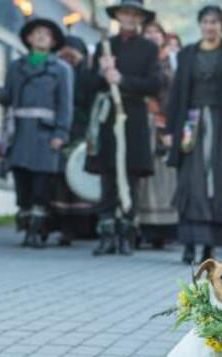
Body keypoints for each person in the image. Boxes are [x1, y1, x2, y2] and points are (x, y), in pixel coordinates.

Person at [166, 5, 222, 264]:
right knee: (191, 180)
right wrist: (170, 130)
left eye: (215, 22)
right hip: (191, 123)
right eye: (205, 21)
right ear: (200, 24)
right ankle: (189, 243)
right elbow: (177, 94)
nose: (210, 26)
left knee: (220, 182)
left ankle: (211, 246)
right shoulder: (186, 54)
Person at [85, 0, 162, 256]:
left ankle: (127, 233)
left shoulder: (149, 49)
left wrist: (122, 79)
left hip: (134, 116)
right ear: (118, 15)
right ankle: (106, 233)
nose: (129, 18)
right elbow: (89, 86)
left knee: (130, 177)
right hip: (109, 117)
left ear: (140, 18)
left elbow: (154, 84)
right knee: (108, 175)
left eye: (134, 14)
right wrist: (102, 72)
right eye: (125, 13)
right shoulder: (105, 46)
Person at [0, 18, 73, 249]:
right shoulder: (16, 67)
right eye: (36, 33)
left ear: (54, 41)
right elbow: (9, 98)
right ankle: (25, 224)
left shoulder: (61, 70)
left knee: (42, 184)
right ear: (28, 38)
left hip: (46, 133)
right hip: (20, 131)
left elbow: (65, 104)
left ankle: (37, 230)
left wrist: (61, 132)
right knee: (22, 182)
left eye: (46, 34)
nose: (41, 37)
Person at [49, 35, 97, 245]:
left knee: (79, 179)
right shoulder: (55, 73)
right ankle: (62, 226)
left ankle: (83, 227)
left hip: (81, 131)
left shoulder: (86, 77)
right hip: (59, 130)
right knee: (59, 180)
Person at [136, 20, 178, 249]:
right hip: (142, 121)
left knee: (164, 179)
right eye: (148, 32)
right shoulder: (140, 60)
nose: (152, 35)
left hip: (165, 122)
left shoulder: (171, 61)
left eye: (156, 32)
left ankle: (164, 230)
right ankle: (142, 227)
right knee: (143, 179)